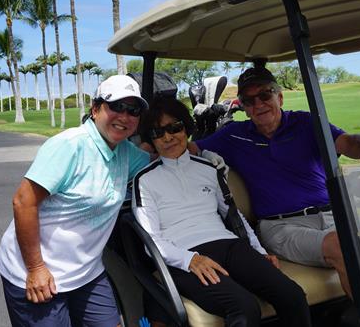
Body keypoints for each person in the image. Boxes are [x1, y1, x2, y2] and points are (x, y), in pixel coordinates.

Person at [189, 66, 360, 303]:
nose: (258, 104)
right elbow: (188, 149)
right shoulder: (233, 135)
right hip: (281, 226)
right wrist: (152, 145)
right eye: (249, 100)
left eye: (264, 95)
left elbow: (348, 143)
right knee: (343, 247)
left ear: (280, 97)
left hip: (333, 217)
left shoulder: (305, 124)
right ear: (243, 107)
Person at [133, 97, 312, 327]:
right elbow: (152, 240)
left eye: (174, 128)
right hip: (183, 254)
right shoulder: (145, 180)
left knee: (292, 295)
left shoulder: (209, 169)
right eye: (158, 133)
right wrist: (190, 260)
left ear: (186, 129)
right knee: (244, 307)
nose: (168, 137)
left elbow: (233, 215)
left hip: (229, 245)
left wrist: (258, 250)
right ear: (152, 140)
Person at [0, 75, 151, 327]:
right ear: (96, 109)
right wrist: (35, 268)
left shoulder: (125, 152)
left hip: (87, 273)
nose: (124, 116)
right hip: (38, 273)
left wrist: (194, 148)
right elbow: (23, 202)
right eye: (116, 106)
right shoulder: (70, 146)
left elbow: (158, 161)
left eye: (133, 110)